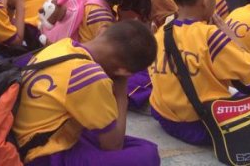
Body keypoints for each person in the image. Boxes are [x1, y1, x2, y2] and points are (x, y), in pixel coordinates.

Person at [149, 0, 250, 146]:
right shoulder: (211, 35)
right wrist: (232, 37)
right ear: (207, 0)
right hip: (199, 125)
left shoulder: (162, 32)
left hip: (162, 115)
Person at [12, 20, 160, 165]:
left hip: (23, 139)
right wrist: (122, 95)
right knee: (147, 154)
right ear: (123, 72)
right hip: (41, 156)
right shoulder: (91, 75)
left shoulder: (62, 45)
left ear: (101, 32)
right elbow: (113, 145)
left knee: (103, 132)